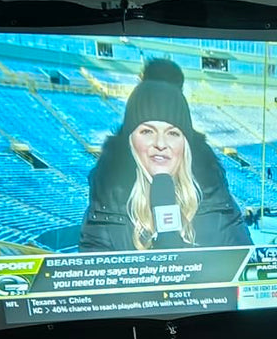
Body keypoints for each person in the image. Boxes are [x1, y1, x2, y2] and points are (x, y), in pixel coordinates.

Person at [79, 59, 250, 251]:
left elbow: (246, 262)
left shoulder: (217, 197)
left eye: (173, 133)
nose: (160, 144)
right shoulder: (104, 201)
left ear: (185, 143)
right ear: (130, 140)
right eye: (147, 131)